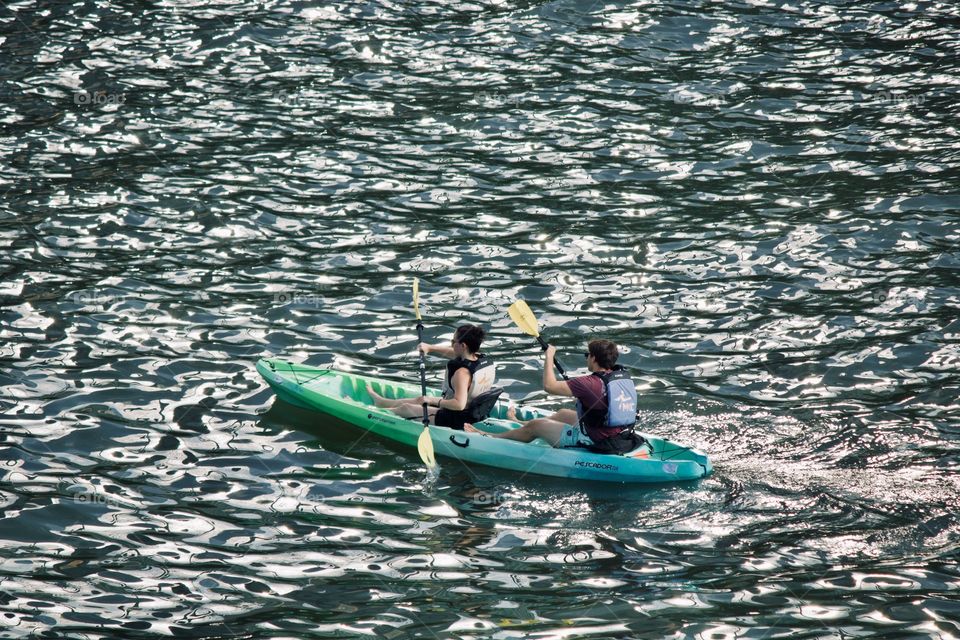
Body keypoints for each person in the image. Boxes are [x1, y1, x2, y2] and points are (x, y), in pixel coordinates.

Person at [465, 339, 638, 452]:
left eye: (587, 355)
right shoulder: (619, 377)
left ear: (593, 358)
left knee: (537, 425)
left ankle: (488, 435)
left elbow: (549, 386)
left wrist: (548, 357)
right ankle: (519, 423)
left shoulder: (588, 383)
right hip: (618, 433)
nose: (586, 359)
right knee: (564, 413)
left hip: (597, 441)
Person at [367, 324, 496, 430]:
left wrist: (433, 400)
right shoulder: (480, 359)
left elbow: (459, 404)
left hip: (456, 419)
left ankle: (375, 414)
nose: (451, 344)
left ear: (463, 346)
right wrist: (430, 348)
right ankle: (382, 402)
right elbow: (456, 354)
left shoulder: (461, 374)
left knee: (406, 409)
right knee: (420, 399)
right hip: (475, 413)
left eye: (453, 341)